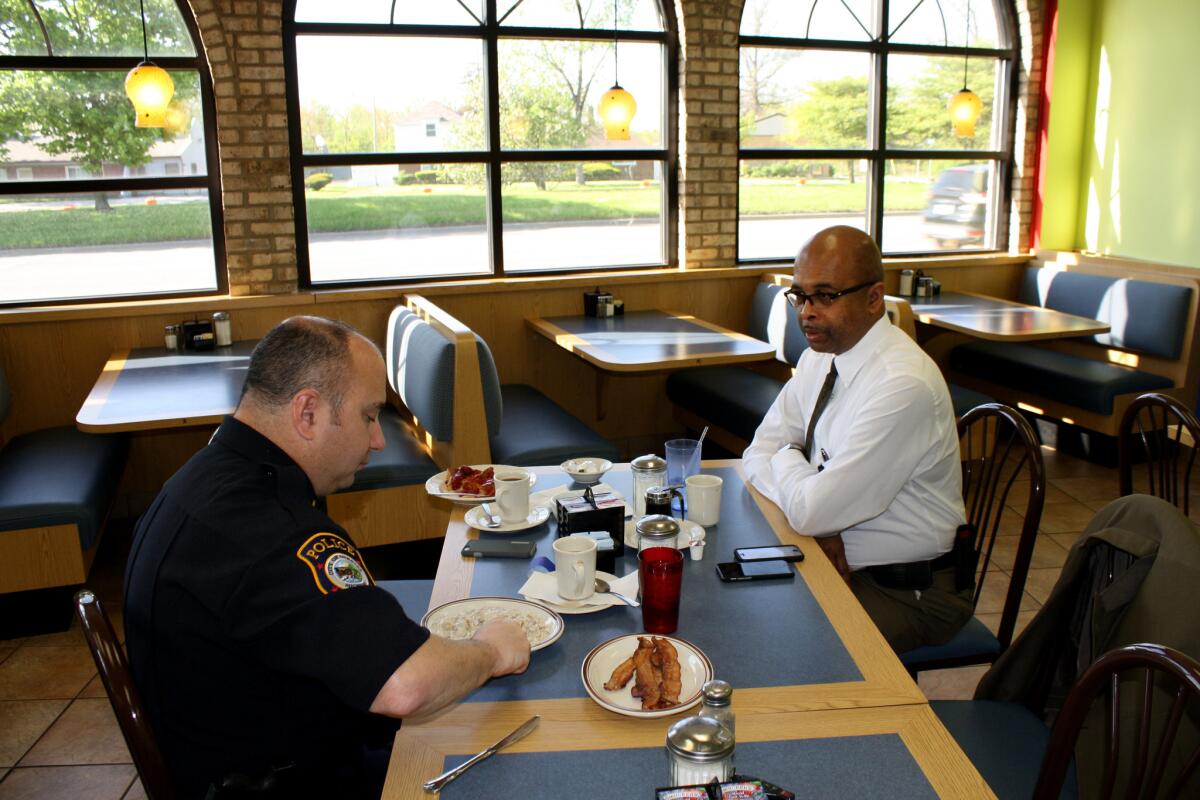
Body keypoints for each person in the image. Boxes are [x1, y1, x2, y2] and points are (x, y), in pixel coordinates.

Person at [123, 316, 530, 799]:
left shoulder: (211, 475)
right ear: (308, 412)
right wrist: (492, 649)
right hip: (291, 780)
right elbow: (405, 685)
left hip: (247, 743)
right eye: (368, 415)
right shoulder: (273, 531)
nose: (378, 440)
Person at [743, 226, 971, 653]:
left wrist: (798, 473)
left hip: (908, 591)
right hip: (832, 560)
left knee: (780, 643)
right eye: (800, 296)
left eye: (826, 296)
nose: (806, 312)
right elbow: (755, 453)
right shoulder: (818, 358)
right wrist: (816, 516)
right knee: (744, 603)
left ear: (874, 298)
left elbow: (809, 504)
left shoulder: (902, 385)